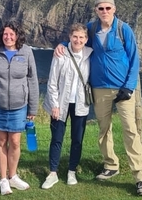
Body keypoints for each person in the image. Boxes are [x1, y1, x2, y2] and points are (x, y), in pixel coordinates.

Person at [55, 0, 142, 196]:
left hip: (123, 88)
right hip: (99, 88)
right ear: (96, 10)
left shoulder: (123, 29)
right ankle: (111, 165)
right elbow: (76, 40)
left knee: (130, 130)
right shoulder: (91, 28)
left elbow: (134, 59)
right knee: (103, 129)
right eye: (101, 9)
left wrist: (129, 86)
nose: (104, 12)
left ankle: (141, 176)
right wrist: (62, 45)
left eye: (108, 8)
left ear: (114, 9)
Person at [0, 21, 39, 195]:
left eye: (11, 34)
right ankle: (3, 179)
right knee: (1, 141)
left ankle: (13, 176)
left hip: (19, 106)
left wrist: (33, 108)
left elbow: (32, 80)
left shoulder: (27, 52)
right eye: (5, 34)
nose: (8, 37)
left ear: (18, 35)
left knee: (15, 142)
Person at [41, 23, 92, 189]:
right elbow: (52, 82)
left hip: (80, 104)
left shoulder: (90, 55)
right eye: (75, 36)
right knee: (57, 138)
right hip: (60, 104)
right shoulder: (60, 54)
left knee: (77, 139)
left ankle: (72, 171)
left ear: (86, 39)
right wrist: (55, 105)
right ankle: (53, 173)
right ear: (69, 37)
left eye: (81, 37)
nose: (78, 40)